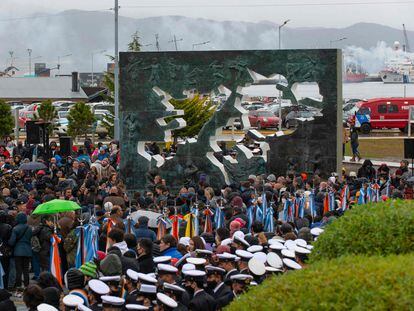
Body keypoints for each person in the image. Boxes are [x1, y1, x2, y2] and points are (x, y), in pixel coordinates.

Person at [8, 212, 32, 292]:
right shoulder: (29, 228)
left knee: (19, 270)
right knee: (26, 270)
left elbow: (11, 242)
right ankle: (27, 285)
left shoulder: (15, 228)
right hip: (28, 250)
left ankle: (18, 286)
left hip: (18, 251)